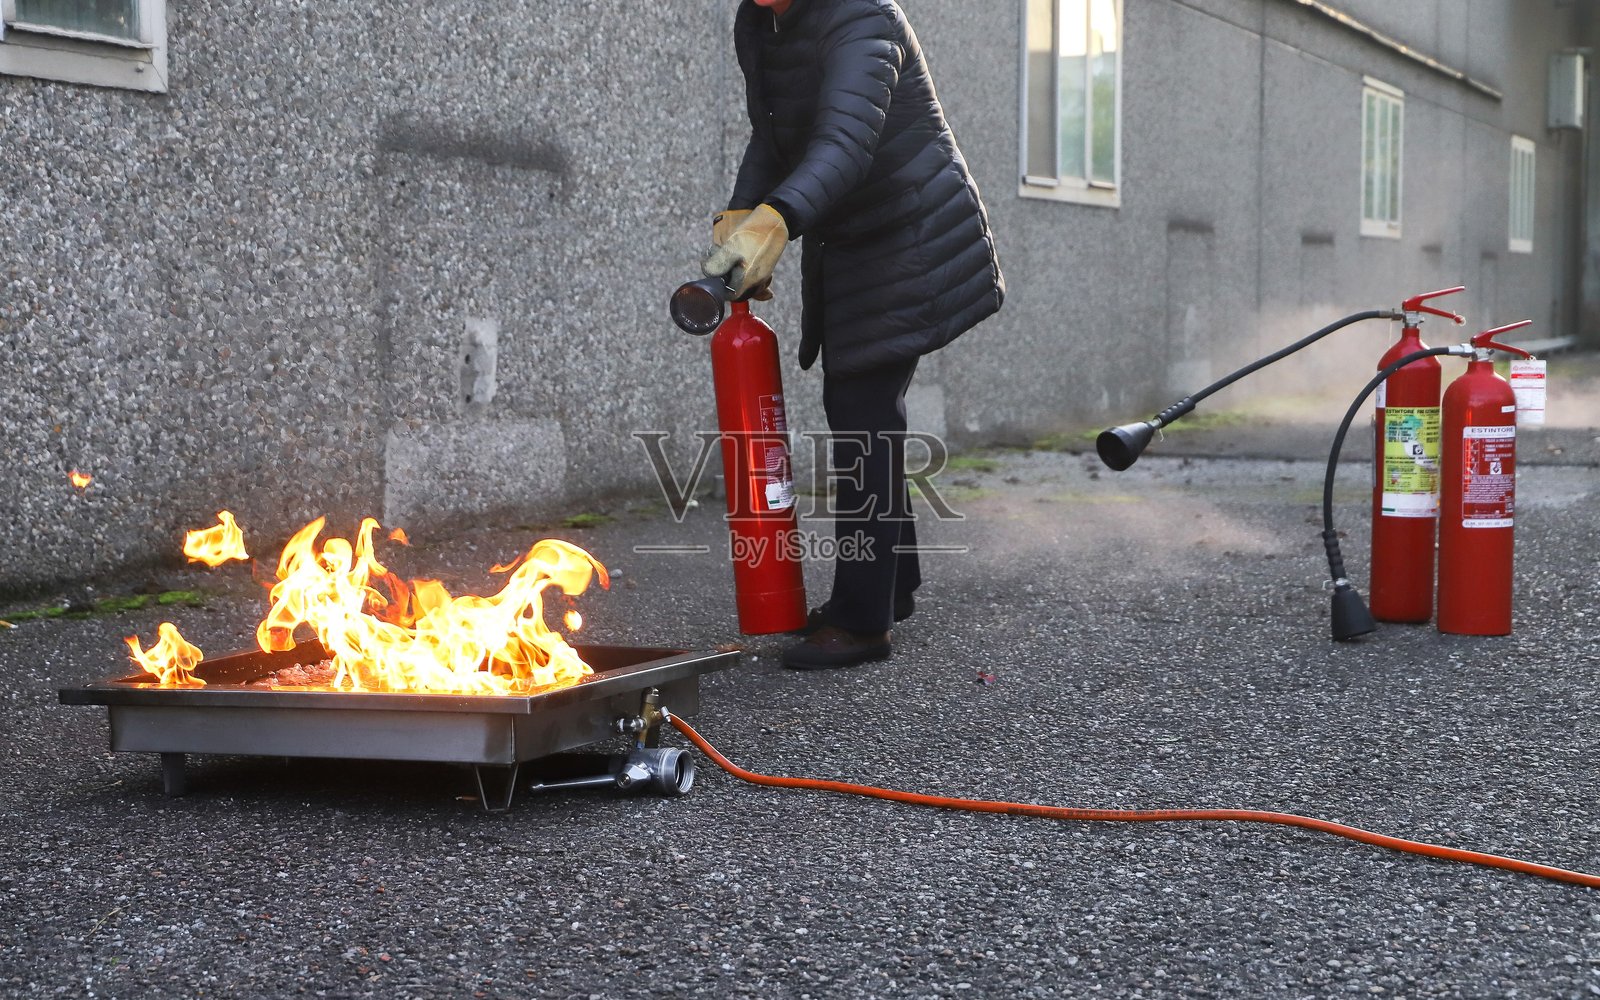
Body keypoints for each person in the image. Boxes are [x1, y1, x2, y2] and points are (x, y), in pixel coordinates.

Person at [704, 0, 1004, 670]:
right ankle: (890, 587)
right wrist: (741, 211)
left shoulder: (863, 17)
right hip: (852, 234)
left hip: (909, 235)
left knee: (863, 414)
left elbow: (844, 145)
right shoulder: (761, 20)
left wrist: (775, 221)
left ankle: (862, 623)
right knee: (864, 408)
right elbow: (775, 135)